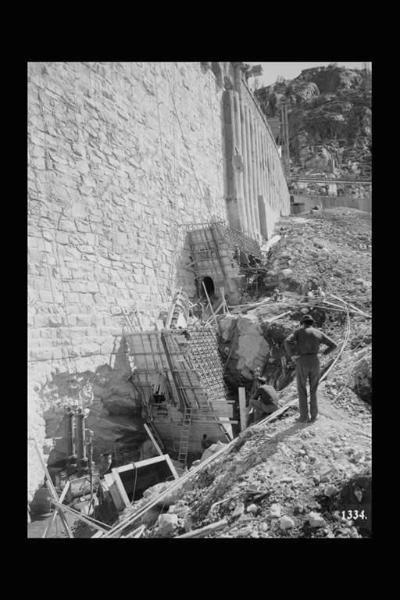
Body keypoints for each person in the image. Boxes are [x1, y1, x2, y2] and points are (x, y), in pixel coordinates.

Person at [284, 315, 337, 423]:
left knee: (302, 388)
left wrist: (293, 355)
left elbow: (287, 341)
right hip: (315, 361)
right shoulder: (318, 332)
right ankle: (314, 416)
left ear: (302, 323)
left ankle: (303, 417)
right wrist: (324, 352)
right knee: (314, 389)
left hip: (302, 361)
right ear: (312, 323)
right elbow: (333, 345)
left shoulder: (298, 332)